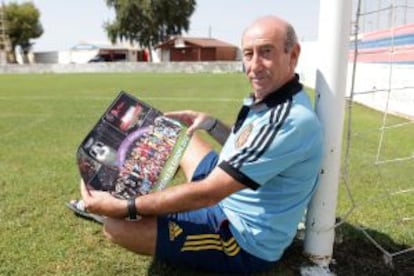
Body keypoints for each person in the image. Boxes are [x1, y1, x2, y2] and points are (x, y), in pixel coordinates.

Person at [75, 15, 323, 274]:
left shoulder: (288, 120)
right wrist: (212, 124)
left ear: (292, 54)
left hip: (242, 237)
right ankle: (125, 190)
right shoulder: (275, 99)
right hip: (232, 192)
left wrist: (126, 208)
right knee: (180, 134)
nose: (255, 65)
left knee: (117, 228)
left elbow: (209, 193)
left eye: (266, 52)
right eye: (249, 54)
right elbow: (250, 151)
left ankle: (120, 202)